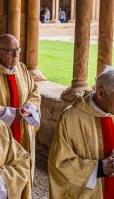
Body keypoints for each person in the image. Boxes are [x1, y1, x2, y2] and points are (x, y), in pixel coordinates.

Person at [0, 34, 40, 198]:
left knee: (23, 169)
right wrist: (11, 113)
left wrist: (28, 108)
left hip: (24, 130)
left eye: (17, 50)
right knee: (4, 174)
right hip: (0, 134)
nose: (16, 55)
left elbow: (34, 92)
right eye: (11, 51)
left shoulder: (22, 69)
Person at [48, 66, 114, 198]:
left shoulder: (111, 110)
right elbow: (59, 165)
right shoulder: (71, 117)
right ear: (101, 94)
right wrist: (99, 168)